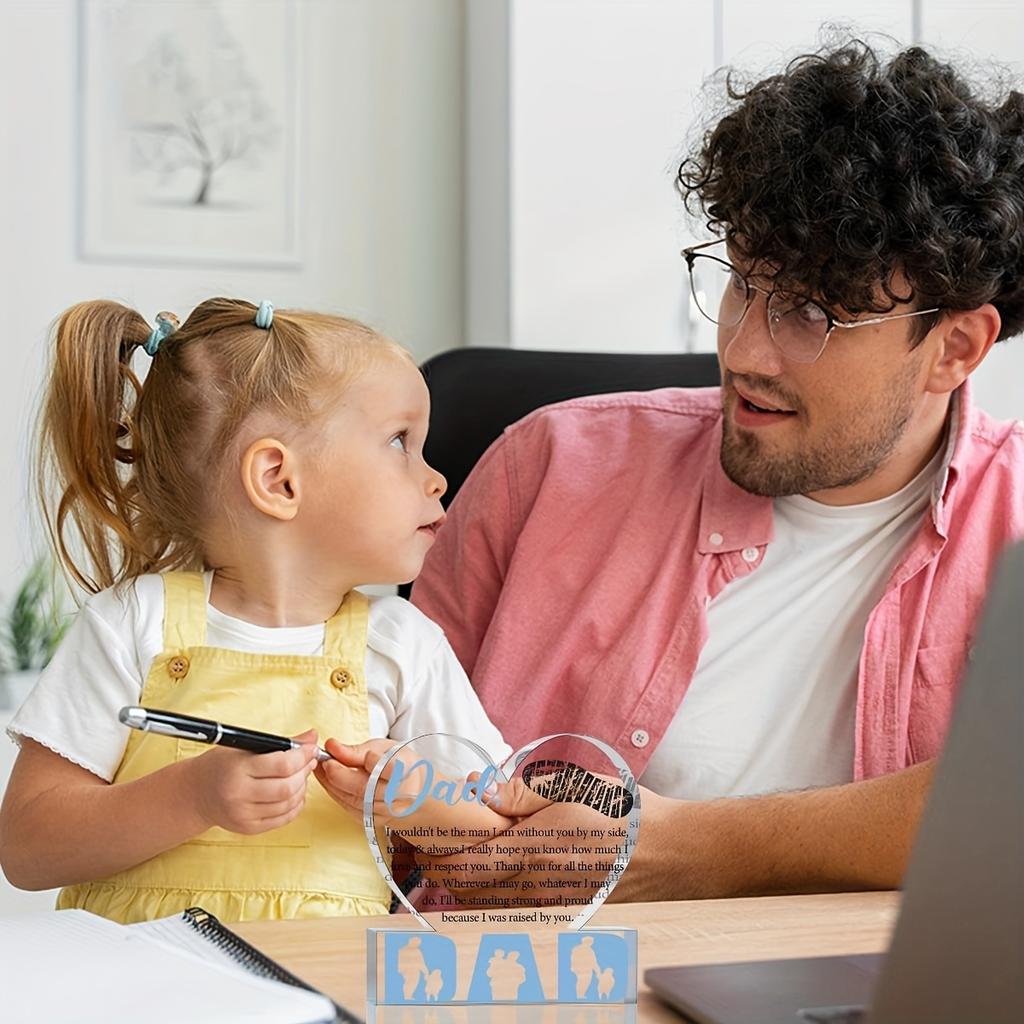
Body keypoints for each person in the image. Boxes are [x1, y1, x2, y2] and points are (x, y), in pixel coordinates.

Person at [411, 41, 1024, 902]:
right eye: (742, 283)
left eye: (812, 313)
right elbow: (384, 780)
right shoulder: (546, 468)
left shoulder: (1016, 524)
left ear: (955, 348)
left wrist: (683, 847)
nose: (742, 351)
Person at [0, 298, 511, 923]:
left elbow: (502, 853)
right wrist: (192, 796)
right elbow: (27, 847)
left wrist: (418, 802)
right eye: (401, 442)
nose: (436, 479)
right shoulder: (134, 622)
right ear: (278, 479)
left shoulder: (405, 645)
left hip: (329, 992)